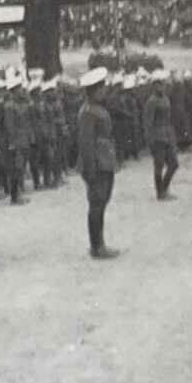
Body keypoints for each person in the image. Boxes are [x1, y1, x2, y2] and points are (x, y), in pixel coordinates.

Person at [77, 67, 120, 259]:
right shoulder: (88, 112)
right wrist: (91, 169)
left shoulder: (98, 109)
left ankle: (99, 243)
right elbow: (86, 143)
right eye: (102, 88)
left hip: (104, 160)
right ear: (94, 90)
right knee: (96, 204)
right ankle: (97, 246)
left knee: (101, 202)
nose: (105, 91)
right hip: (96, 162)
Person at [143, 70, 179, 199]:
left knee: (174, 164)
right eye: (159, 84)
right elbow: (147, 123)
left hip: (167, 135)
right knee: (159, 165)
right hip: (157, 137)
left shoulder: (165, 98)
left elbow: (169, 118)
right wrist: (150, 141)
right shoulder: (151, 101)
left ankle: (164, 188)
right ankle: (160, 193)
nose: (162, 86)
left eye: (163, 84)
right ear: (154, 85)